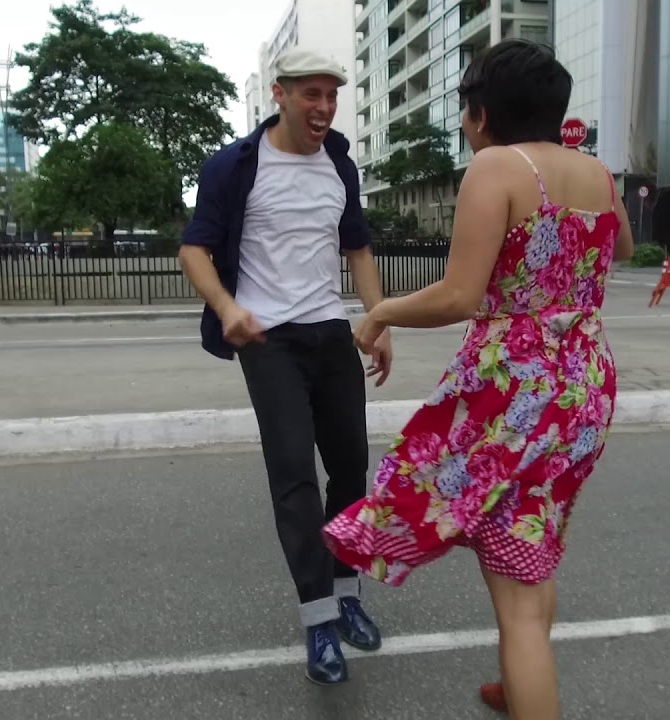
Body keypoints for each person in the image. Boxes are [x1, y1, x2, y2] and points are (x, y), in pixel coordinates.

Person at [323, 40, 633, 718]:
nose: (466, 125)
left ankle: (528, 681)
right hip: (585, 382)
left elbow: (460, 296)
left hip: (516, 393)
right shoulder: (597, 172)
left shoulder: (496, 167)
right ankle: (517, 680)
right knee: (535, 540)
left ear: (482, 113)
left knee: (519, 600)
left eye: (466, 111)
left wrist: (381, 311)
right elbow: (625, 247)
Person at [178, 47, 391, 686]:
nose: (324, 107)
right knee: (294, 472)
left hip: (330, 333)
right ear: (281, 94)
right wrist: (227, 308)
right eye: (311, 95)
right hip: (268, 339)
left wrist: (376, 319)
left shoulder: (339, 165)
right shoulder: (236, 167)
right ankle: (318, 616)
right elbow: (194, 251)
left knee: (352, 463)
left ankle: (347, 590)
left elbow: (357, 249)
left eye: (332, 95)